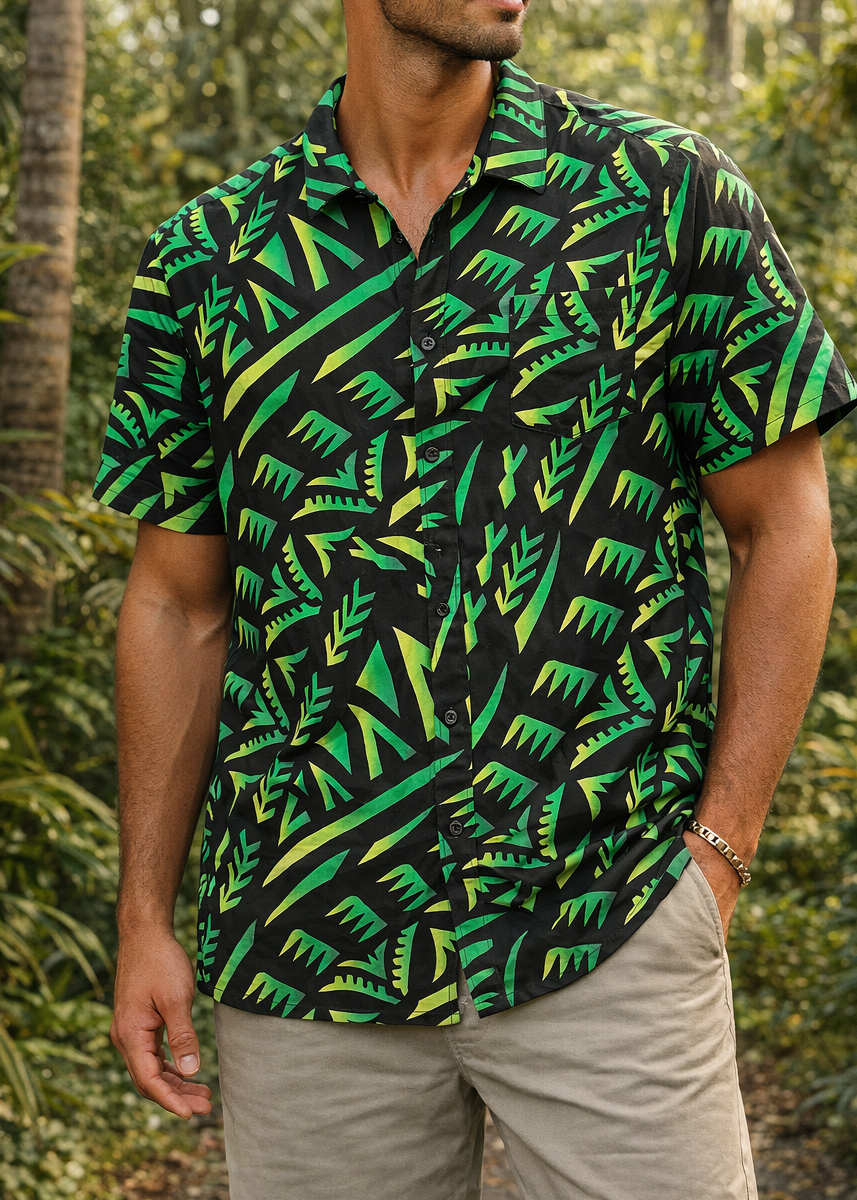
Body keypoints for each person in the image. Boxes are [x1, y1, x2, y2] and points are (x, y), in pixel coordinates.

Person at [97, 0, 856, 1196]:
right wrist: (145, 914)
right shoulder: (209, 260)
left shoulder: (661, 197)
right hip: (304, 950)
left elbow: (784, 525)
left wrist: (716, 854)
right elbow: (178, 606)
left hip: (602, 925)